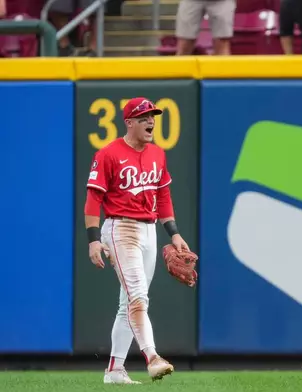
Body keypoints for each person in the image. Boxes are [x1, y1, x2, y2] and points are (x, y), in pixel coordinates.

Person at [84, 97, 191, 384]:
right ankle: (153, 357)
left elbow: (164, 197)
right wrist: (94, 241)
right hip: (121, 229)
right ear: (129, 122)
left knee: (128, 304)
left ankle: (115, 371)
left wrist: (175, 234)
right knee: (139, 297)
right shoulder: (108, 154)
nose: (151, 122)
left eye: (152, 117)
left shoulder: (158, 154)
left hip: (150, 230)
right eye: (143, 117)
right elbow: (93, 200)